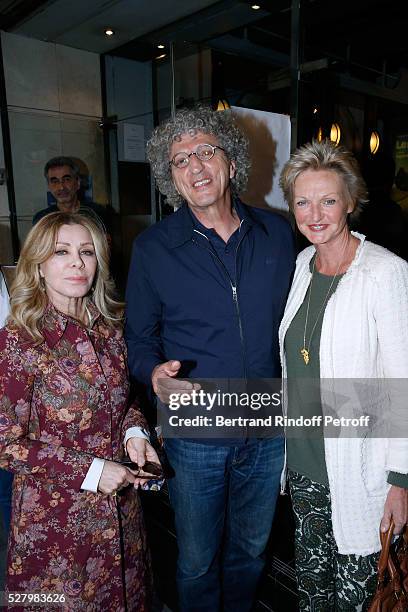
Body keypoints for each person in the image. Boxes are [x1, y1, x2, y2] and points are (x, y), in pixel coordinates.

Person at [125, 106, 296, 611]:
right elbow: (139, 340)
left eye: (206, 151)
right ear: (170, 177)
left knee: (250, 552)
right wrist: (152, 374)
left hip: (266, 429)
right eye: (180, 160)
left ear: (230, 160)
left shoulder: (277, 233)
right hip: (195, 432)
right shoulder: (154, 247)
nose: (196, 167)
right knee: (197, 561)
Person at [0, 211, 158, 610]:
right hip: (56, 527)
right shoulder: (18, 342)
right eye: (61, 252)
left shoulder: (110, 331)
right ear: (37, 265)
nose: (77, 262)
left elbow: (124, 404)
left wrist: (135, 434)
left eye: (87, 252)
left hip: (121, 515)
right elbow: (4, 444)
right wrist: (90, 471)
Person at [279, 139, 408, 610]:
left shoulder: (385, 273)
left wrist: (402, 479)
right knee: (313, 596)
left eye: (328, 200)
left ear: (351, 202)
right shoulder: (301, 266)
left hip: (364, 473)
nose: (315, 214)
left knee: (360, 599)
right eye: (303, 201)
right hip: (306, 471)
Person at [32, 156, 112, 234]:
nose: (61, 187)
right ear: (49, 186)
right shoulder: (42, 219)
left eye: (67, 179)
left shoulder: (96, 213)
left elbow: (105, 245)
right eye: (55, 181)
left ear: (77, 183)